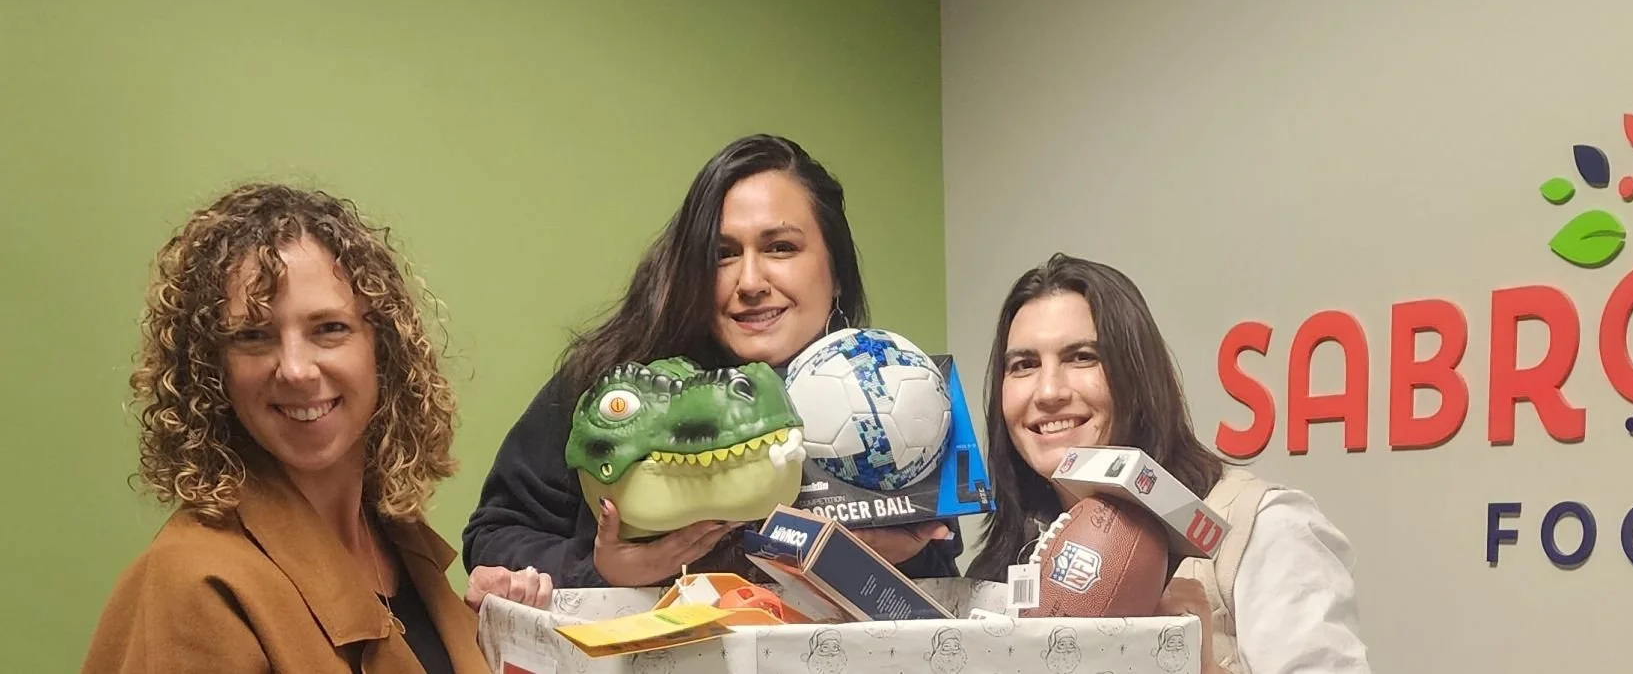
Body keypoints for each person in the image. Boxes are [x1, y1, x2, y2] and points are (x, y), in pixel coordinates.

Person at [83, 183, 553, 674]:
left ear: (382, 350)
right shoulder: (191, 584)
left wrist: (498, 642)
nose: (295, 369)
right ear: (212, 370)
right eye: (253, 336)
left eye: (329, 328)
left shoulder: (394, 539)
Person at [462, 133, 960, 588]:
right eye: (722, 254)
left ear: (836, 272)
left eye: (781, 247)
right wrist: (600, 569)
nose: (749, 282)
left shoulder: (895, 403)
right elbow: (494, 535)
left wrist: (887, 560)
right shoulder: (609, 385)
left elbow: (938, 591)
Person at [967, 253, 1373, 674]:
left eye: (1082, 356)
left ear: (1137, 373)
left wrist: (1199, 666)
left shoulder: (1263, 527)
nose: (1048, 391)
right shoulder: (1011, 554)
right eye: (1024, 365)